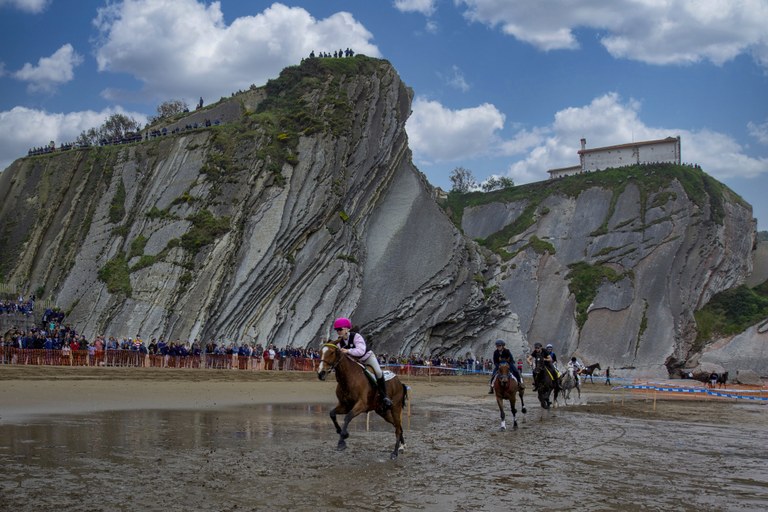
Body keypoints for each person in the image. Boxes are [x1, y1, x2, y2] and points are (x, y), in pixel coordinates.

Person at [331, 317, 392, 408]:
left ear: (347, 329)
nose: (338, 332)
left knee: (378, 372)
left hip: (367, 358)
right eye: (337, 330)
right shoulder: (339, 343)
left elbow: (361, 351)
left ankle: (384, 396)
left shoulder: (356, 336)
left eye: (340, 329)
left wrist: (348, 351)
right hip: (355, 361)